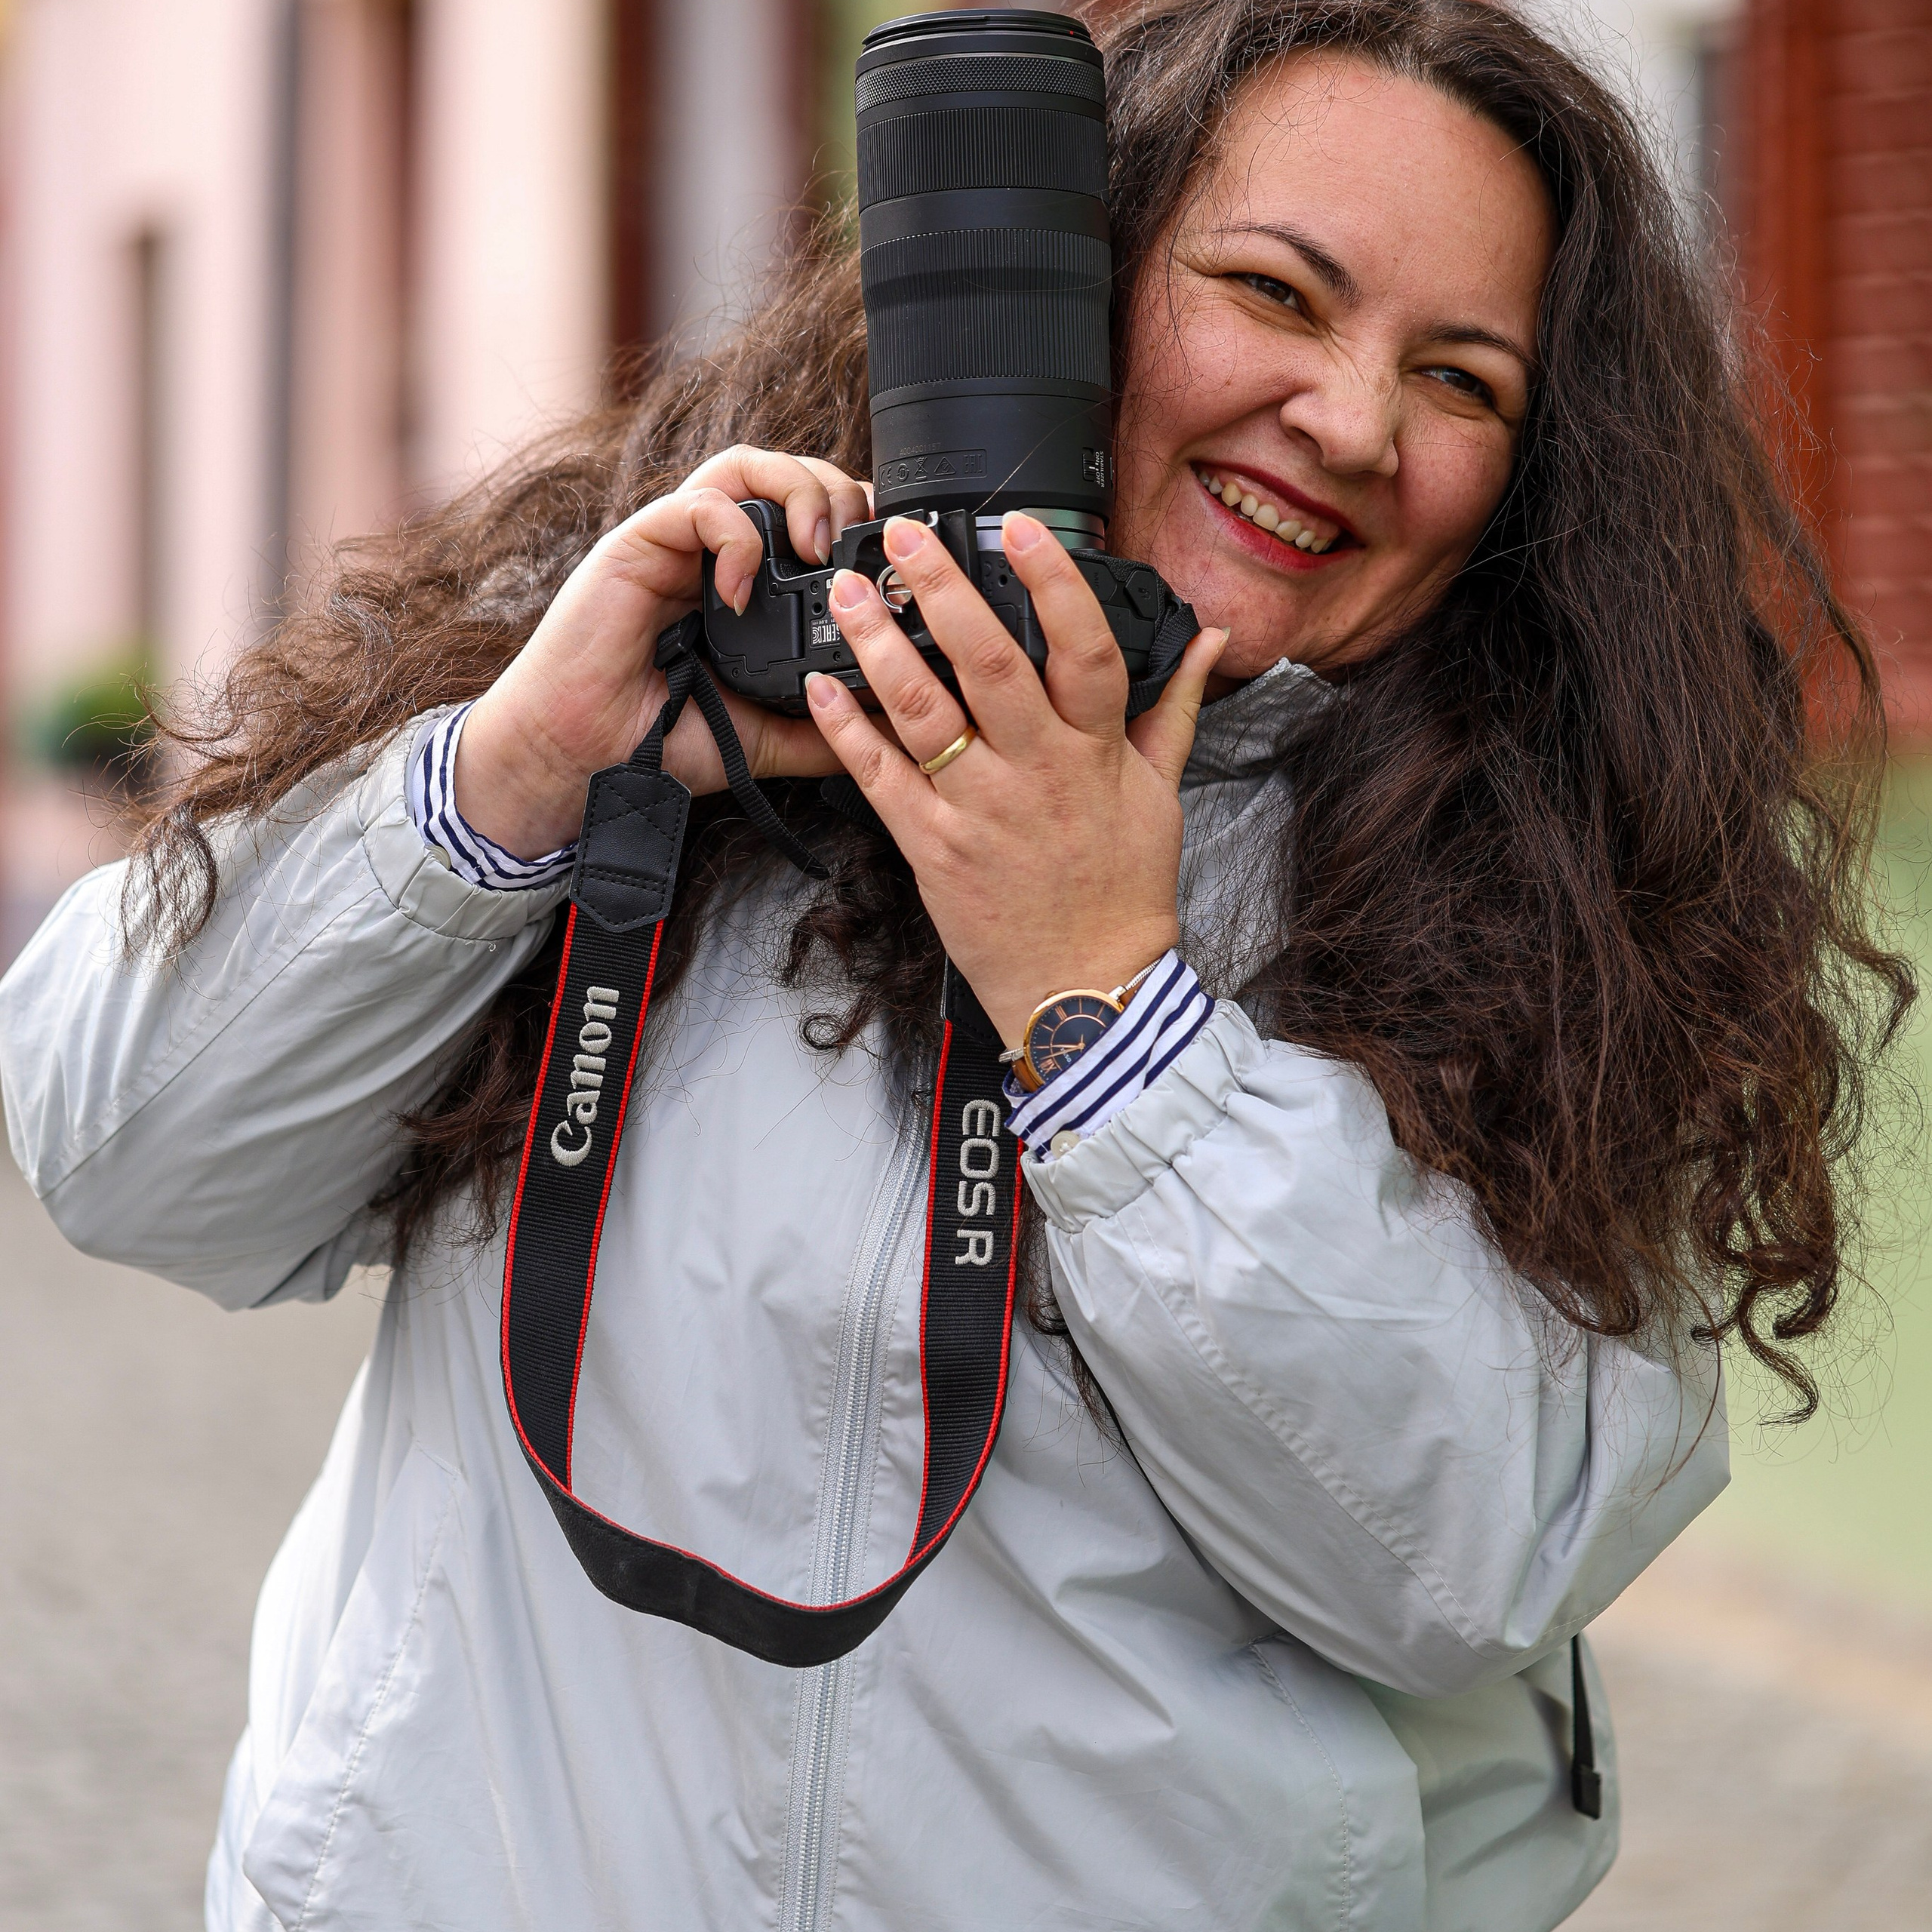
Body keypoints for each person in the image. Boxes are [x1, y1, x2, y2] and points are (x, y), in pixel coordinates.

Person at [0, 2, 1909, 1926]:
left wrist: (1105, 1009)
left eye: (1461, 379)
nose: (1347, 418)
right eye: (1270, 290)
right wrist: (502, 784)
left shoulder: (1564, 910)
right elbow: (121, 1156)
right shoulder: (681, 659)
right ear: (1065, 278)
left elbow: (1468, 1555)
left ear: (1531, 474)